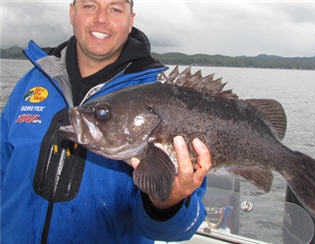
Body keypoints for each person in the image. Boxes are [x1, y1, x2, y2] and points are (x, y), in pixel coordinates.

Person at [0, 0, 212, 243]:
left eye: (115, 8)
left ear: (131, 20)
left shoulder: (169, 102)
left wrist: (168, 204)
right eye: (89, 5)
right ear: (72, 12)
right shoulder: (30, 83)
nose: (101, 18)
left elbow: (176, 232)